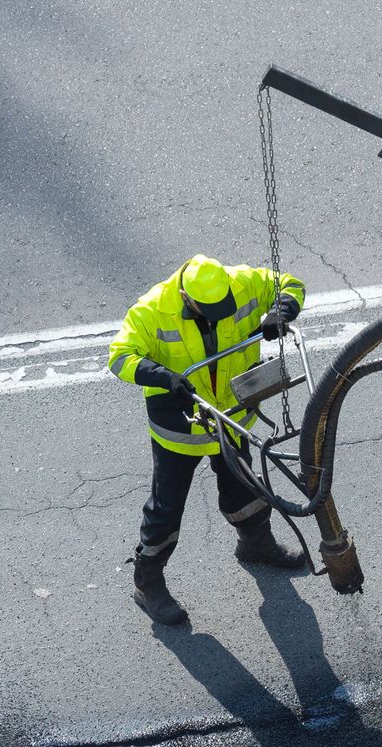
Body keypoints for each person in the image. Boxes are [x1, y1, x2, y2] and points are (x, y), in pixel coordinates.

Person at [107, 253, 308, 625]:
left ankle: (256, 545)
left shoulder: (241, 283)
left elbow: (290, 284)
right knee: (166, 508)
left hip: (231, 415)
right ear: (189, 301)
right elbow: (120, 358)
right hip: (179, 425)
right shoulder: (151, 311)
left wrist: (282, 310)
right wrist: (163, 377)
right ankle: (146, 582)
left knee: (244, 487)